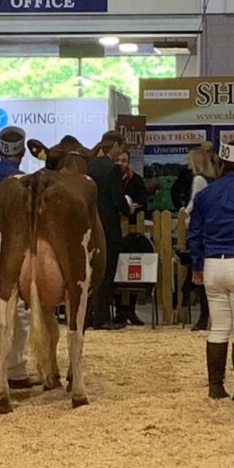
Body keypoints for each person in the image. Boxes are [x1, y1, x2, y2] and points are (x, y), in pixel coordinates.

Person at [188, 138, 234, 400]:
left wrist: (196, 264)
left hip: (211, 264)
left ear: (221, 162)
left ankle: (216, 386)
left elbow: (194, 232)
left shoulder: (205, 193)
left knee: (218, 327)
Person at [0, 126, 38, 389]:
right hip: (14, 249)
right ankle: (15, 369)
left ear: (0, 148)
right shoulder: (22, 180)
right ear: (23, 151)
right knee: (20, 309)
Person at [86, 130, 131, 330]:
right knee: (105, 272)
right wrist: (127, 208)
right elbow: (117, 199)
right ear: (114, 146)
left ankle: (86, 316)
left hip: (89, 225)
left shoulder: (89, 166)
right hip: (108, 227)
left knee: (88, 274)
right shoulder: (111, 169)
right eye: (120, 147)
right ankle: (102, 317)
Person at [183, 142, 216, 332]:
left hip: (199, 230)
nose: (187, 162)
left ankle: (203, 317)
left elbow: (194, 205)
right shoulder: (211, 179)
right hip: (210, 229)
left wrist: (182, 215)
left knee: (197, 274)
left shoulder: (198, 180)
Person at [113, 148, 148, 327]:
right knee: (116, 270)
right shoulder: (112, 179)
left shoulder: (136, 180)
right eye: (118, 160)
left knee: (133, 270)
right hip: (115, 230)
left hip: (133, 230)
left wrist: (134, 206)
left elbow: (144, 200)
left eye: (124, 160)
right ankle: (119, 309)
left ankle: (131, 309)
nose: (121, 163)